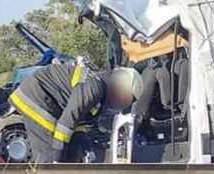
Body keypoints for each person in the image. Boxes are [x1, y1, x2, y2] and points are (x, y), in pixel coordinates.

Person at [9, 62, 143, 163]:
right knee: (48, 151)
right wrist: (56, 156)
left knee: (69, 151)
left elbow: (79, 123)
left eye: (125, 102)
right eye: (123, 98)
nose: (119, 104)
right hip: (37, 97)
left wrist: (84, 145)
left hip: (50, 103)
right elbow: (67, 121)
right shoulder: (95, 87)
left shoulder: (101, 100)